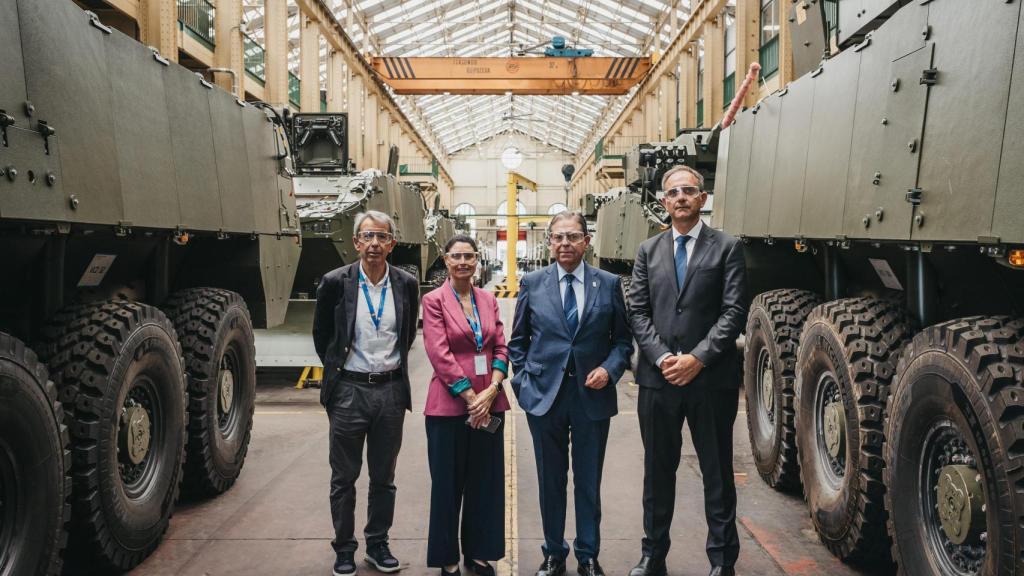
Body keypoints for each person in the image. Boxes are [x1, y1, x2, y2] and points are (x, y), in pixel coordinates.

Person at [627, 165, 748, 576]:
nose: (681, 197)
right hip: (658, 381)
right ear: (663, 202)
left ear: (702, 198)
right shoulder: (648, 251)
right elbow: (638, 312)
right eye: (673, 192)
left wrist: (698, 357)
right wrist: (662, 358)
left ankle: (722, 561)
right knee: (658, 472)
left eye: (689, 191)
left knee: (716, 473)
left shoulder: (727, 247)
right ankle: (652, 555)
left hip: (710, 380)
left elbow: (734, 312)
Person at [508, 211, 633, 576]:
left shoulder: (607, 284)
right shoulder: (533, 282)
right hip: (545, 398)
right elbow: (518, 342)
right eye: (558, 237)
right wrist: (525, 384)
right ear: (549, 242)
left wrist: (609, 371)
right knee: (550, 479)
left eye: (573, 236)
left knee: (588, 480)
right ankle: (553, 552)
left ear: (586, 241)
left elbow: (623, 342)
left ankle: (588, 553)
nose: (565, 243)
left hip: (591, 398)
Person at [312, 210, 421, 576]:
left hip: (390, 392)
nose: (374, 243)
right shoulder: (334, 282)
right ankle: (344, 549)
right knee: (343, 478)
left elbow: (406, 338)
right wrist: (340, 378)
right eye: (367, 236)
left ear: (392, 243)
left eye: (382, 236)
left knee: (383, 478)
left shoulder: (406, 284)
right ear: (356, 242)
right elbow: (323, 337)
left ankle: (377, 544)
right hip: (349, 392)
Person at [421, 235, 511, 576]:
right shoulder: (433, 301)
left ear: (477, 261)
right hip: (448, 407)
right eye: (456, 256)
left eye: (469, 256)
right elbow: (438, 352)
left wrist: (492, 388)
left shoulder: (488, 300)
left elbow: (501, 346)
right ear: (445, 260)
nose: (463, 262)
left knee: (485, 482)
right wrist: (472, 398)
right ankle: (447, 558)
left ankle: (479, 553)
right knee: (447, 484)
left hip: (491, 400)